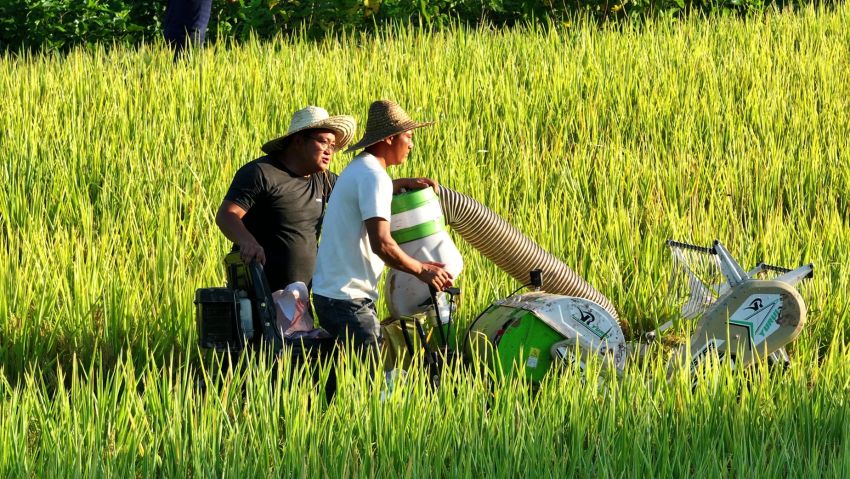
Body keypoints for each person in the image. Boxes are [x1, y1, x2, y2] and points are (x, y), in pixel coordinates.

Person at [311, 100, 454, 361]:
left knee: (349, 375)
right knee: (370, 381)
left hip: (334, 296)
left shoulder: (361, 169)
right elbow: (383, 245)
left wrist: (399, 183)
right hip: (347, 300)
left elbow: (366, 194)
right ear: (389, 139)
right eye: (408, 136)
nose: (411, 144)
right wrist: (424, 271)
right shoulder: (373, 177)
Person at [215, 106, 356, 292]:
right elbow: (227, 214)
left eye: (332, 145)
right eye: (323, 142)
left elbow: (358, 194)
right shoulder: (261, 173)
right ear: (298, 140)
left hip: (301, 297)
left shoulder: (324, 180)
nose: (329, 151)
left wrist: (396, 185)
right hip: (257, 294)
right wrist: (247, 241)